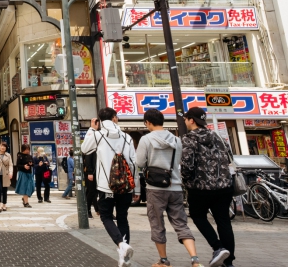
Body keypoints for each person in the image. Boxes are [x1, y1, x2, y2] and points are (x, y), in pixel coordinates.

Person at [138, 109, 203, 267]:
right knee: (181, 223)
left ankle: (164, 260)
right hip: (175, 187)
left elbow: (139, 162)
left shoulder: (146, 140)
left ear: (148, 122)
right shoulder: (176, 140)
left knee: (157, 223)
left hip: (155, 188)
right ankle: (195, 259)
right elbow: (179, 160)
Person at [82, 107, 140, 267]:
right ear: (115, 118)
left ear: (99, 120)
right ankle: (124, 253)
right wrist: (137, 188)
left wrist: (91, 129)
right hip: (126, 187)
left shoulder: (98, 135)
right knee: (123, 217)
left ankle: (121, 245)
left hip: (106, 186)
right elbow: (134, 163)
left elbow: (84, 149)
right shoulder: (127, 137)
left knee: (106, 216)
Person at [181, 107, 234, 267]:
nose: (185, 121)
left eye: (186, 118)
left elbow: (187, 165)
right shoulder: (217, 136)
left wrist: (187, 181)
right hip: (224, 186)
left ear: (191, 120)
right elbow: (229, 157)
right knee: (223, 220)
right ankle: (228, 261)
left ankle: (217, 248)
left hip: (200, 188)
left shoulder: (189, 138)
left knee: (198, 216)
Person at [0, 142, 13, 212]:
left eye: (4, 146)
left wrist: (10, 172)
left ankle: (4, 205)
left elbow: (10, 165)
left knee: (5, 190)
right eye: (1, 146)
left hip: (5, 175)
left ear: (6, 147)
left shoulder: (8, 155)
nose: (3, 147)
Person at [84, 150, 99, 219]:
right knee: (91, 192)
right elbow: (88, 159)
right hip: (92, 173)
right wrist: (90, 172)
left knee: (94, 192)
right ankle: (88, 210)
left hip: (98, 173)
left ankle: (98, 209)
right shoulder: (91, 148)